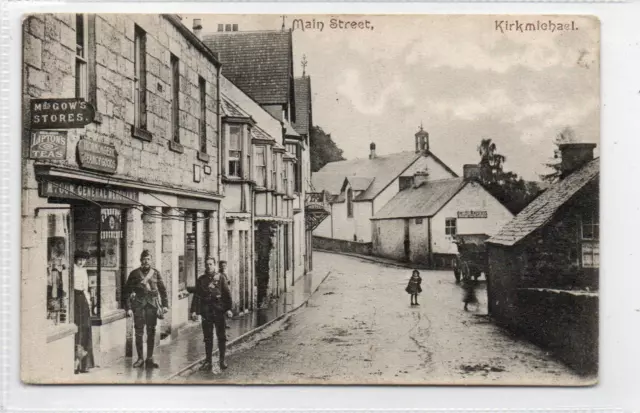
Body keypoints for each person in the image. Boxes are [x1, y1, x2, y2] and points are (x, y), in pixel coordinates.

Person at [124, 250, 169, 368]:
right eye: (144, 259)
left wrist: (165, 305)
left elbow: (163, 290)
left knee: (151, 332)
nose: (146, 261)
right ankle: (140, 359)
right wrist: (128, 307)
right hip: (138, 305)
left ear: (151, 260)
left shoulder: (156, 273)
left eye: (148, 259)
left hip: (152, 306)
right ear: (140, 260)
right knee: (139, 333)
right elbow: (127, 292)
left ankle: (149, 358)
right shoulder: (134, 274)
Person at [191, 256, 233, 372]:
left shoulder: (221, 278)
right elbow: (197, 296)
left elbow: (226, 294)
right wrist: (194, 310)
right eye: (207, 264)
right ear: (205, 266)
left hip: (219, 311)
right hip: (206, 312)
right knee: (208, 338)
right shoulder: (201, 279)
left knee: (222, 337)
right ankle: (208, 361)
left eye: (211, 264)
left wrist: (228, 309)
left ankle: (222, 360)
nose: (209, 266)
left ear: (214, 265)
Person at [73, 251, 94, 373]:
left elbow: (85, 289)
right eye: (79, 259)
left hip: (83, 301)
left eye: (83, 260)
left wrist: (89, 305)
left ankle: (83, 365)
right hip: (74, 301)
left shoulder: (84, 271)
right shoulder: (72, 270)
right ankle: (75, 364)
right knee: (78, 330)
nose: (81, 262)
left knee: (85, 330)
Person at [218, 260, 232, 329]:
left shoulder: (225, 274)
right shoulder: (219, 274)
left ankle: (224, 324)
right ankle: (222, 324)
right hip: (221, 295)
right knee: (222, 310)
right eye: (222, 266)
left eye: (224, 266)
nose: (223, 267)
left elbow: (228, 282)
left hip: (225, 294)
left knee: (225, 309)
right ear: (219, 266)